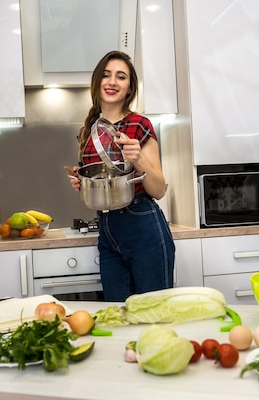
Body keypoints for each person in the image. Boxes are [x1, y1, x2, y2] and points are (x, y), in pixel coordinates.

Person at [63, 50, 175, 302]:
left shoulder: (139, 125)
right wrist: (83, 185)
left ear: (130, 87)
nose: (112, 82)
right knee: (117, 316)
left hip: (142, 226)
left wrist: (138, 158)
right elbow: (105, 186)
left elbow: (158, 190)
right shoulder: (88, 131)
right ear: (97, 81)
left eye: (121, 77)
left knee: (153, 314)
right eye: (106, 75)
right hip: (108, 229)